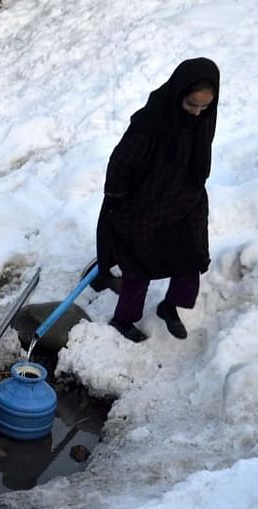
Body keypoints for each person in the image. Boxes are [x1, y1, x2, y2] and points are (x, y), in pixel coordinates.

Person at [96, 57, 220, 342]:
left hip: (185, 200)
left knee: (191, 259)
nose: (198, 113)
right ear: (178, 94)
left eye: (205, 107)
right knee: (138, 265)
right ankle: (123, 320)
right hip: (144, 204)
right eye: (191, 105)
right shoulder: (149, 123)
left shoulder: (203, 119)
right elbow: (120, 163)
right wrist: (117, 199)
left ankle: (170, 306)